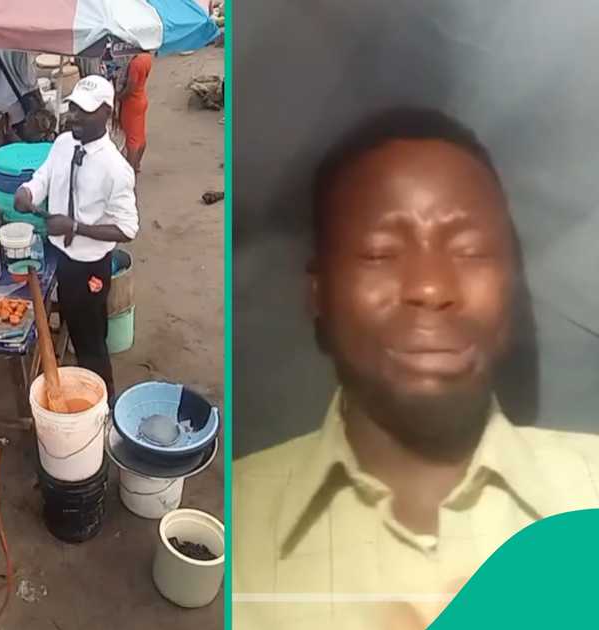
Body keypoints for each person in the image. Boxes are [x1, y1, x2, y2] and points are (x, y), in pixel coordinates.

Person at [231, 108, 599, 630]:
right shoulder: (238, 526)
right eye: (382, 253)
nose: (430, 287)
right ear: (319, 294)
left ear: (514, 287)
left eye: (470, 252)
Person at [14, 76, 139, 403]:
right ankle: (76, 372)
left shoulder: (116, 168)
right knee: (72, 315)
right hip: (58, 256)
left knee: (92, 339)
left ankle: (102, 403)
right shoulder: (63, 144)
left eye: (85, 111)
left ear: (106, 113)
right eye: (73, 108)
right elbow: (44, 176)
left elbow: (128, 228)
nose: (75, 117)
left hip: (90, 265)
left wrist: (75, 227)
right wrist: (28, 191)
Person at [117, 52, 152, 174]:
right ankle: (136, 164)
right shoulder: (147, 57)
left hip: (132, 103)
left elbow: (130, 87)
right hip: (141, 98)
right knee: (139, 136)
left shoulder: (136, 63)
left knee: (132, 141)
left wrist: (119, 97)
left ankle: (130, 169)